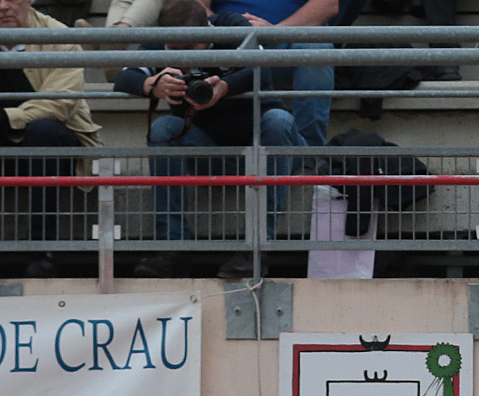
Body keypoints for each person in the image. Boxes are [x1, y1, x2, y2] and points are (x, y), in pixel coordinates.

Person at [119, 0, 306, 280]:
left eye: (190, 49)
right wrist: (153, 85)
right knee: (163, 128)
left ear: (208, 32)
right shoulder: (160, 41)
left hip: (263, 140)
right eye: (175, 51)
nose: (183, 59)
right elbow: (123, 77)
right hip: (205, 146)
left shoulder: (230, 26)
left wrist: (224, 87)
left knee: (279, 120)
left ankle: (256, 246)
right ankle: (173, 248)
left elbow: (262, 69)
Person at [0, 0, 103, 279]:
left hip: (54, 141)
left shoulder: (57, 34)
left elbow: (60, 104)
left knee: (43, 132)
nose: (4, 7)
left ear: (28, 1)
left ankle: (43, 251)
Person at [210, 0, 337, 147]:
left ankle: (309, 155)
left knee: (317, 50)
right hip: (226, 45)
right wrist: (229, 29)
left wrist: (276, 32)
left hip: (286, 42)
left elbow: (327, 5)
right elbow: (193, 6)